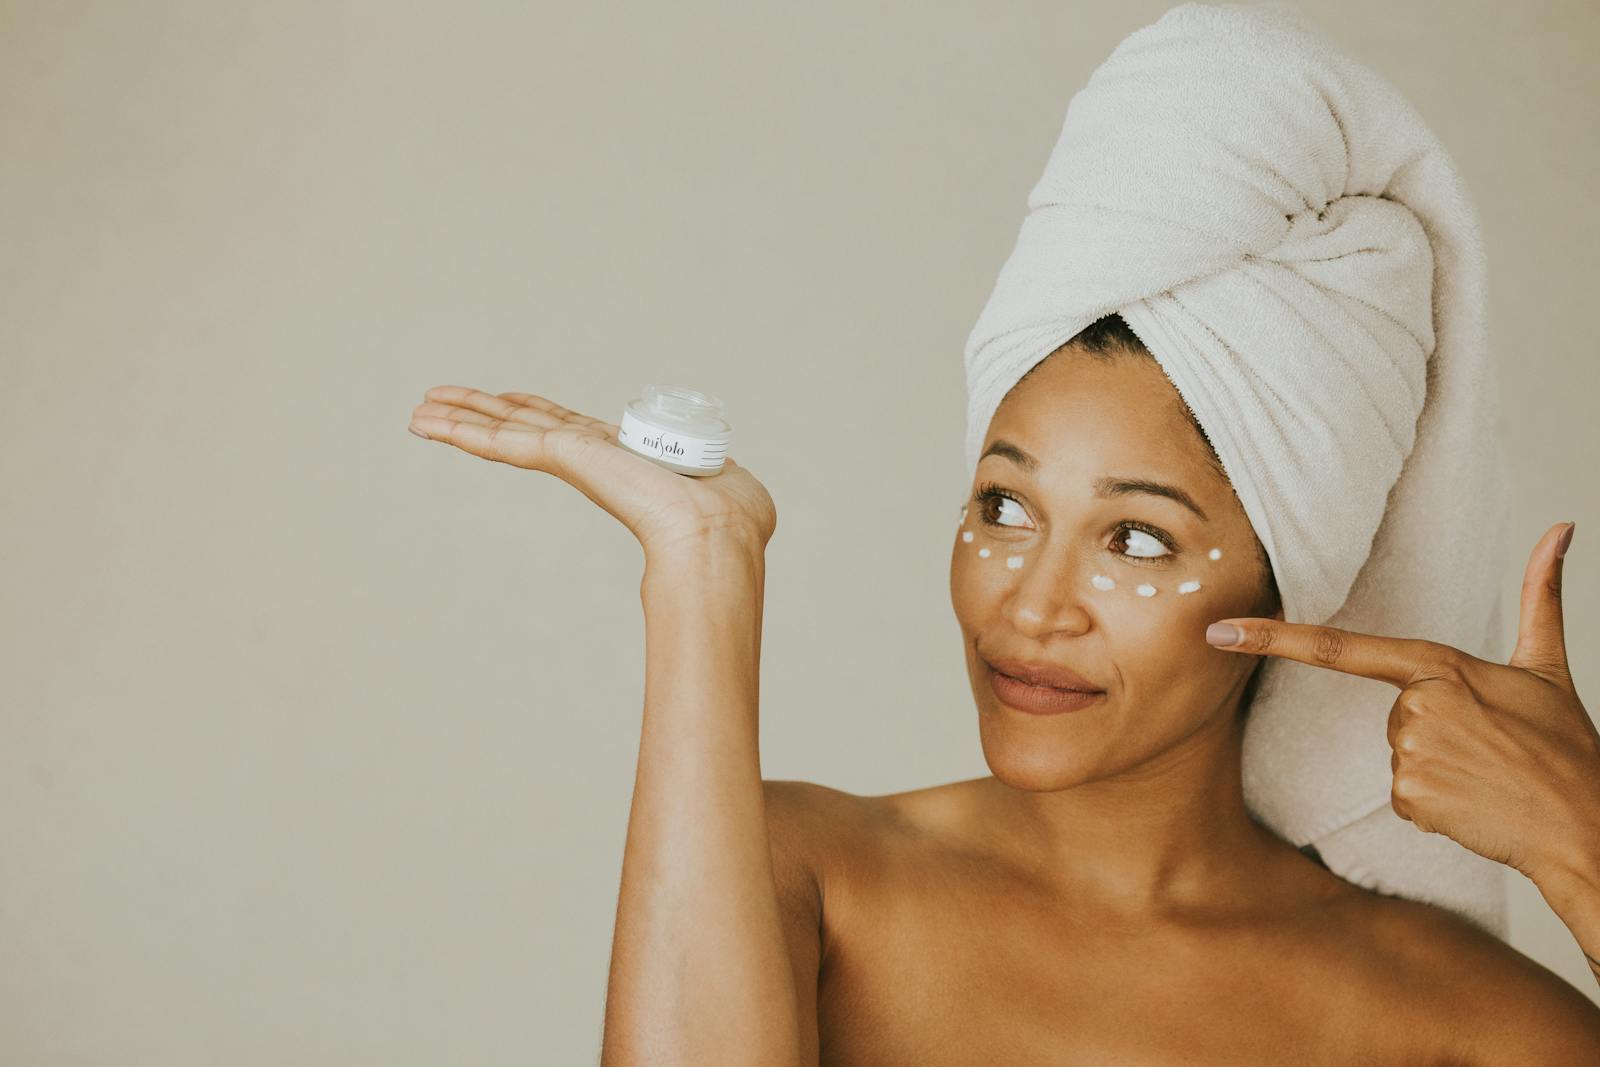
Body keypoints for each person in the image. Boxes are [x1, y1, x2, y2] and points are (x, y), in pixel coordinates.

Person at [405, 315, 1600, 1060]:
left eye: (1135, 539)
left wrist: (1578, 835)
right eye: (1003, 507)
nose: (1030, 607)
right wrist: (704, 568)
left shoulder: (1455, 1017)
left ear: (1294, 587)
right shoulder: (803, 869)